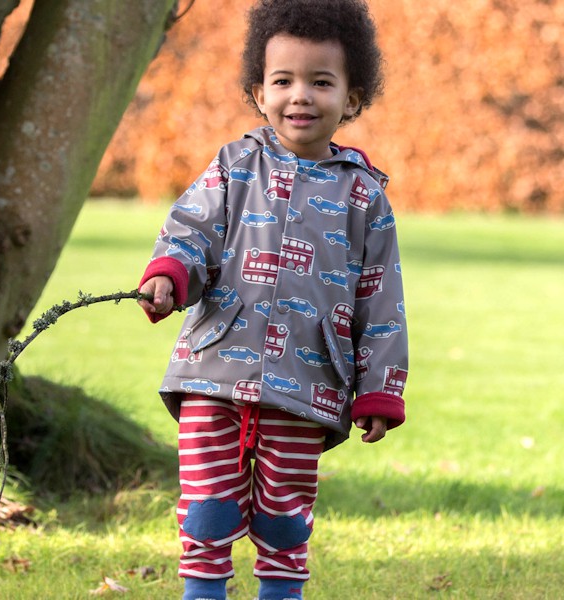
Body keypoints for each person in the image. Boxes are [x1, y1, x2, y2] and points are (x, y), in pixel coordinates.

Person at [138, 1, 408, 598]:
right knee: (205, 510)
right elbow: (191, 229)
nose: (300, 96)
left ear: (353, 96)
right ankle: (202, 591)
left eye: (321, 82)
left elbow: (380, 299)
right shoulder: (235, 167)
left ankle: (280, 590)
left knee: (286, 521)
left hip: (305, 382)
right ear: (258, 92)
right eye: (282, 81)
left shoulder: (364, 198)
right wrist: (170, 274)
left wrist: (380, 387)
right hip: (213, 367)